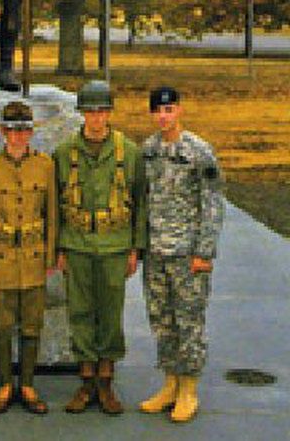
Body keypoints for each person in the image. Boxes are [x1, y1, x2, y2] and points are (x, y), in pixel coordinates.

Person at [54, 79, 146, 415]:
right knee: (79, 312)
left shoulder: (129, 153)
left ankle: (106, 378)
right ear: (82, 114)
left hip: (114, 245)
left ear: (109, 113)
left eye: (101, 111)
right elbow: (57, 203)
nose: (95, 118)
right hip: (77, 244)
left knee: (110, 312)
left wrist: (136, 248)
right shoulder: (65, 153)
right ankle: (86, 379)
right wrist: (59, 249)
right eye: (90, 112)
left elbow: (140, 202)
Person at [140, 86, 224, 423]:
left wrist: (204, 251)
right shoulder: (148, 151)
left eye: (170, 110)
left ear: (180, 111)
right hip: (156, 252)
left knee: (189, 323)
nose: (164, 117)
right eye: (158, 111)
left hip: (188, 254)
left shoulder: (199, 152)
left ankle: (189, 389)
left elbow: (213, 203)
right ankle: (170, 384)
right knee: (162, 321)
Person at [0, 100, 56, 415]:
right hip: (0, 258)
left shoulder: (45, 166)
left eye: (24, 130)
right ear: (2, 132)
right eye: (12, 130)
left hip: (34, 257)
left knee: (32, 326)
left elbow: (51, 214)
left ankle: (27, 383)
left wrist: (50, 257)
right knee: (0, 326)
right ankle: (4, 384)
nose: (18, 137)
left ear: (31, 132)